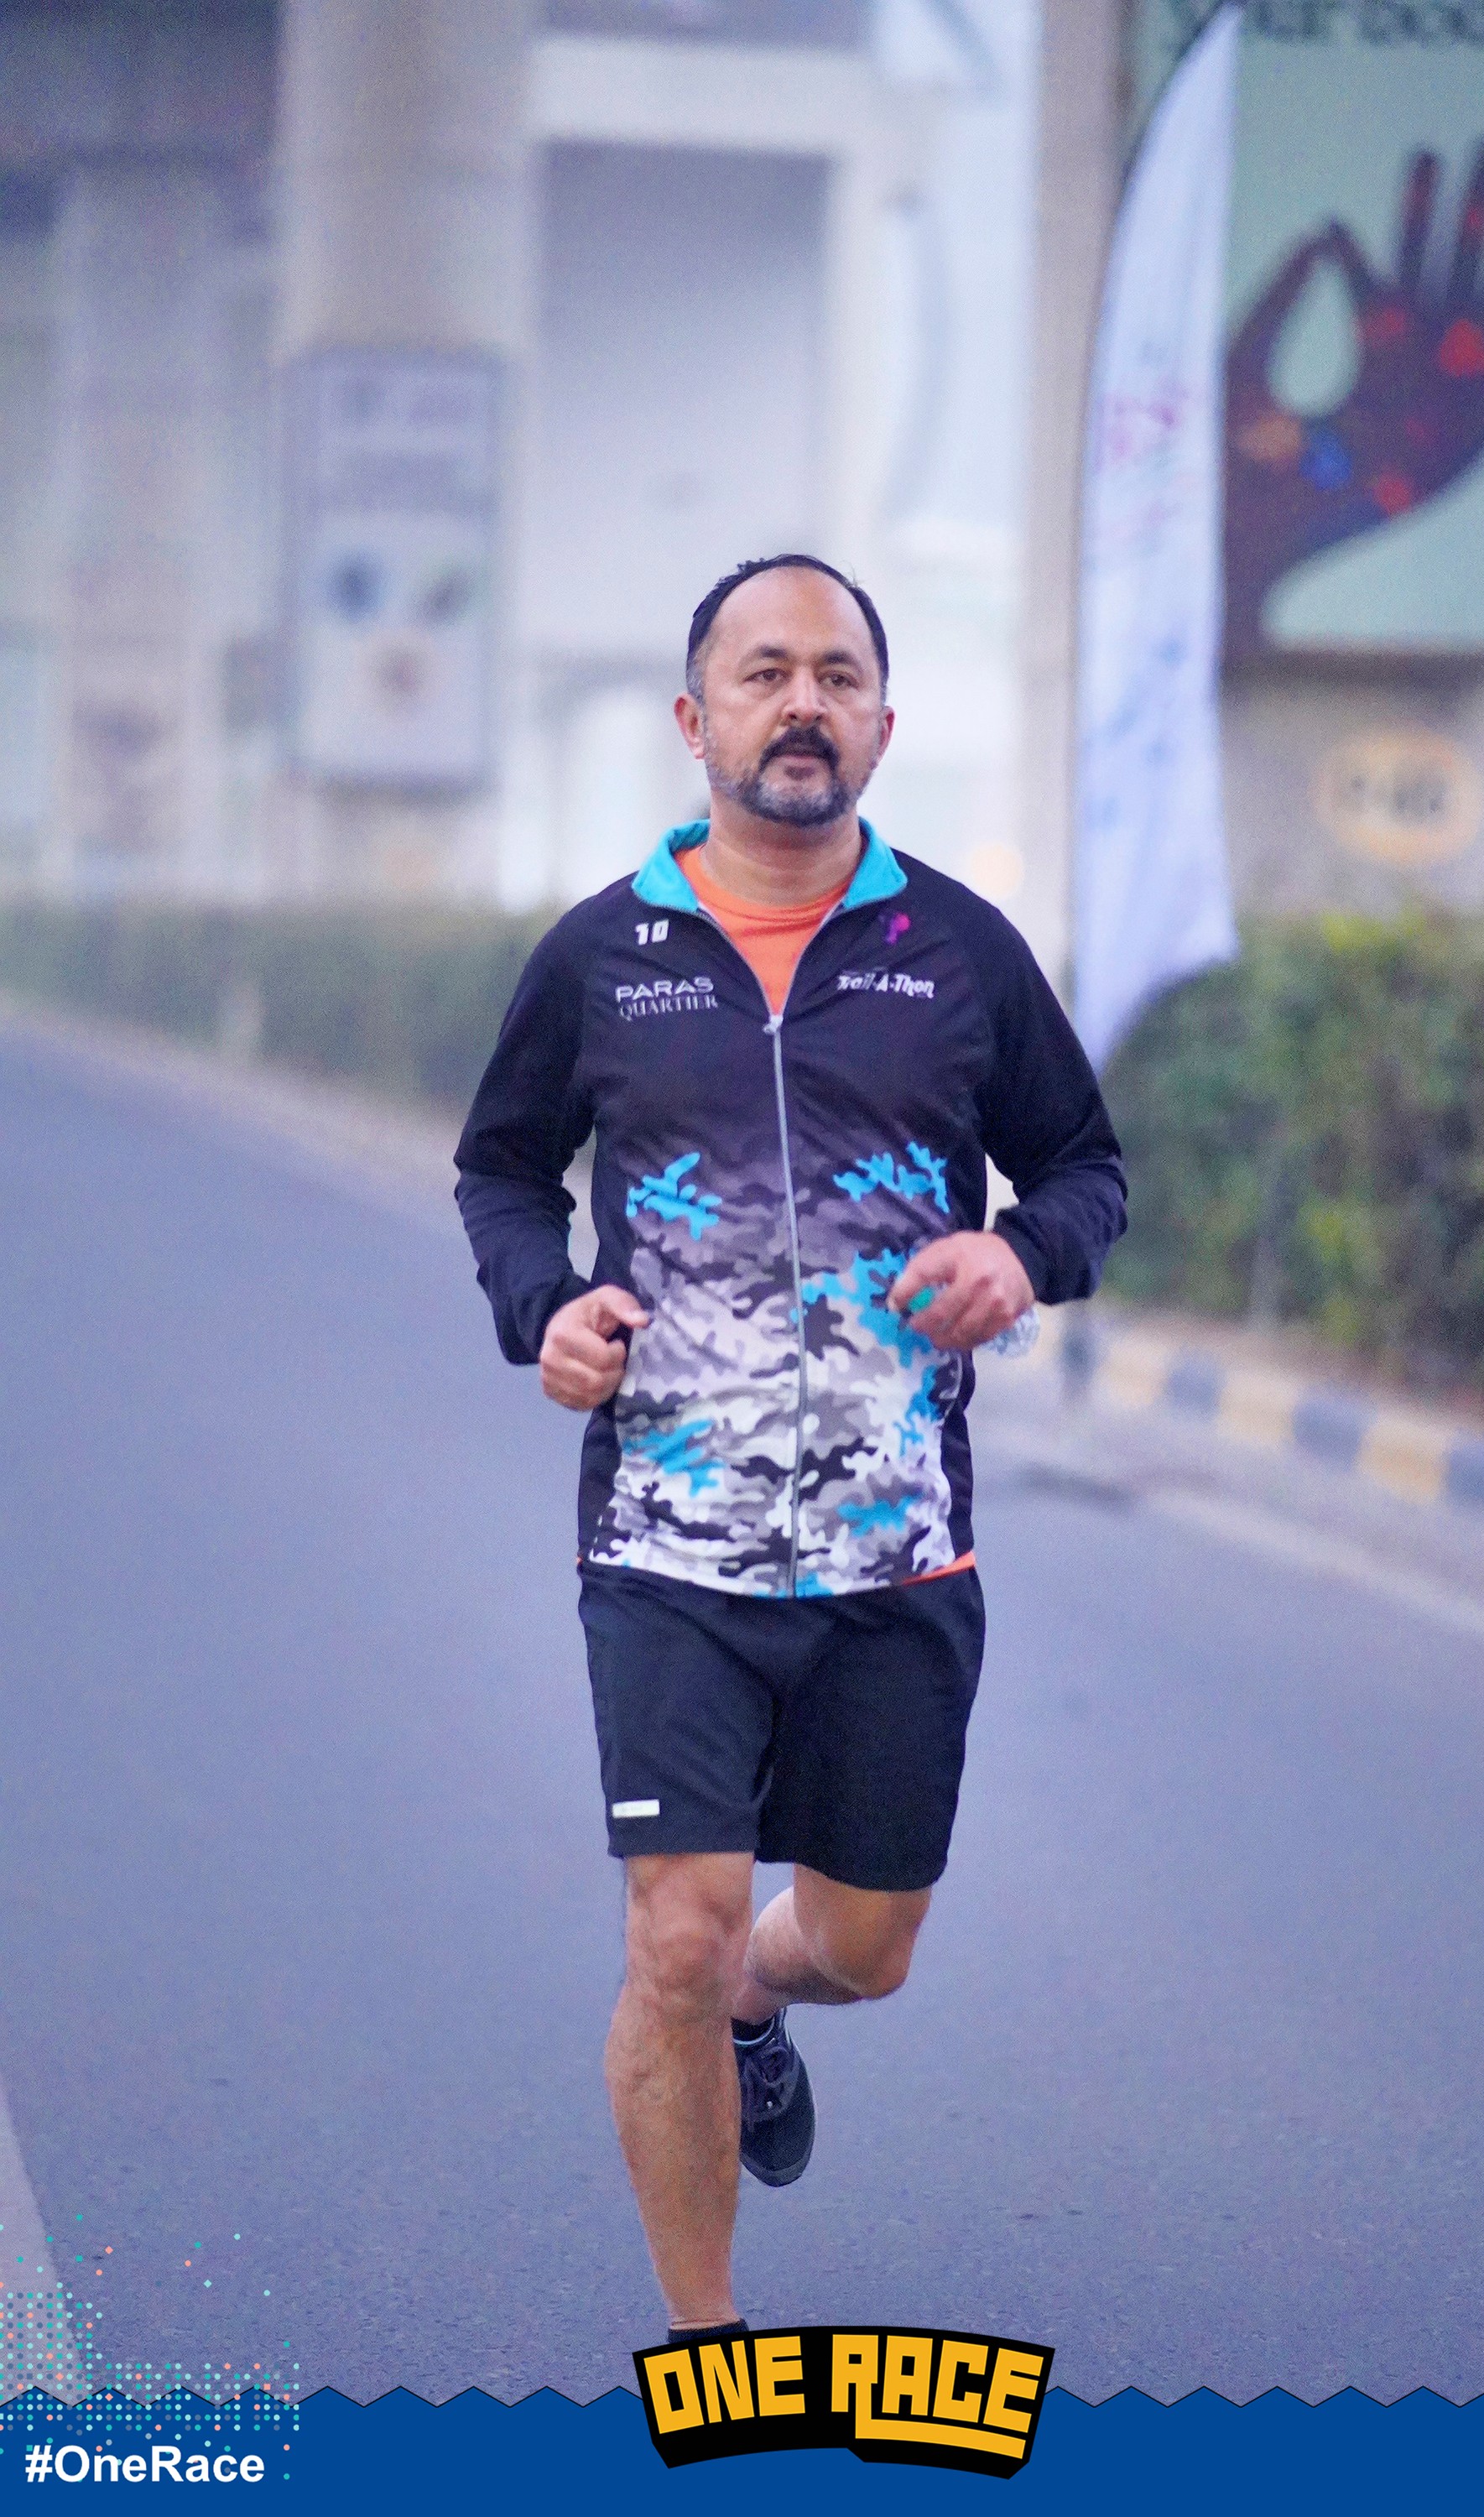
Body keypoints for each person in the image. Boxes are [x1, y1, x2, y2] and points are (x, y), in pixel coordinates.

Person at [455, 555, 1125, 2347]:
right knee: (669, 1937)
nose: (802, 702)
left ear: (884, 725)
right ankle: (707, 2347)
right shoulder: (602, 956)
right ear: (697, 720)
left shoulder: (958, 953)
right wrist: (545, 1308)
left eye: (836, 675)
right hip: (667, 1547)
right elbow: (502, 1172)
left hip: (897, 1553)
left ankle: (765, 2000)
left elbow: (1084, 1168)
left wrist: (1021, 1254)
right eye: (764, 673)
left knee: (862, 1950)